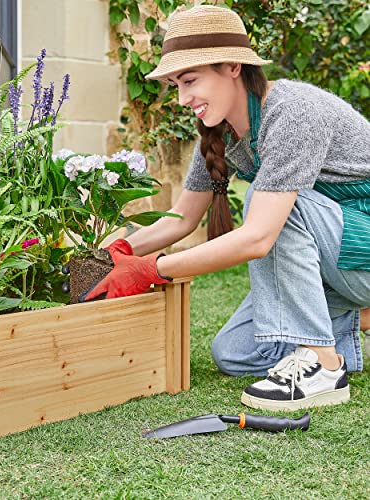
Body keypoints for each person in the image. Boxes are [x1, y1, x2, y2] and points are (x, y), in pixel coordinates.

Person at [84, 4, 370, 411]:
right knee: (234, 352)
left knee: (267, 207)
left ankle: (324, 366)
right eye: (176, 85)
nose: (183, 98)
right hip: (336, 255)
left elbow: (258, 238)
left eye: (190, 81)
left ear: (233, 67)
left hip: (361, 248)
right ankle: (349, 323)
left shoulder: (293, 111)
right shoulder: (219, 133)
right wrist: (117, 251)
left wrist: (153, 268)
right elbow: (182, 218)